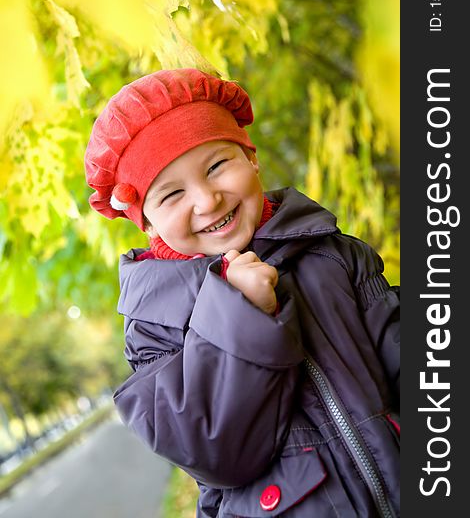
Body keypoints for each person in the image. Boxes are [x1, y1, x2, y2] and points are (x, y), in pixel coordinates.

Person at [85, 68, 400, 517]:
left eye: (217, 166)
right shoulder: (156, 325)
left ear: (251, 159)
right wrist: (240, 314)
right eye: (172, 195)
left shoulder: (330, 252)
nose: (207, 200)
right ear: (149, 223)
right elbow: (215, 451)